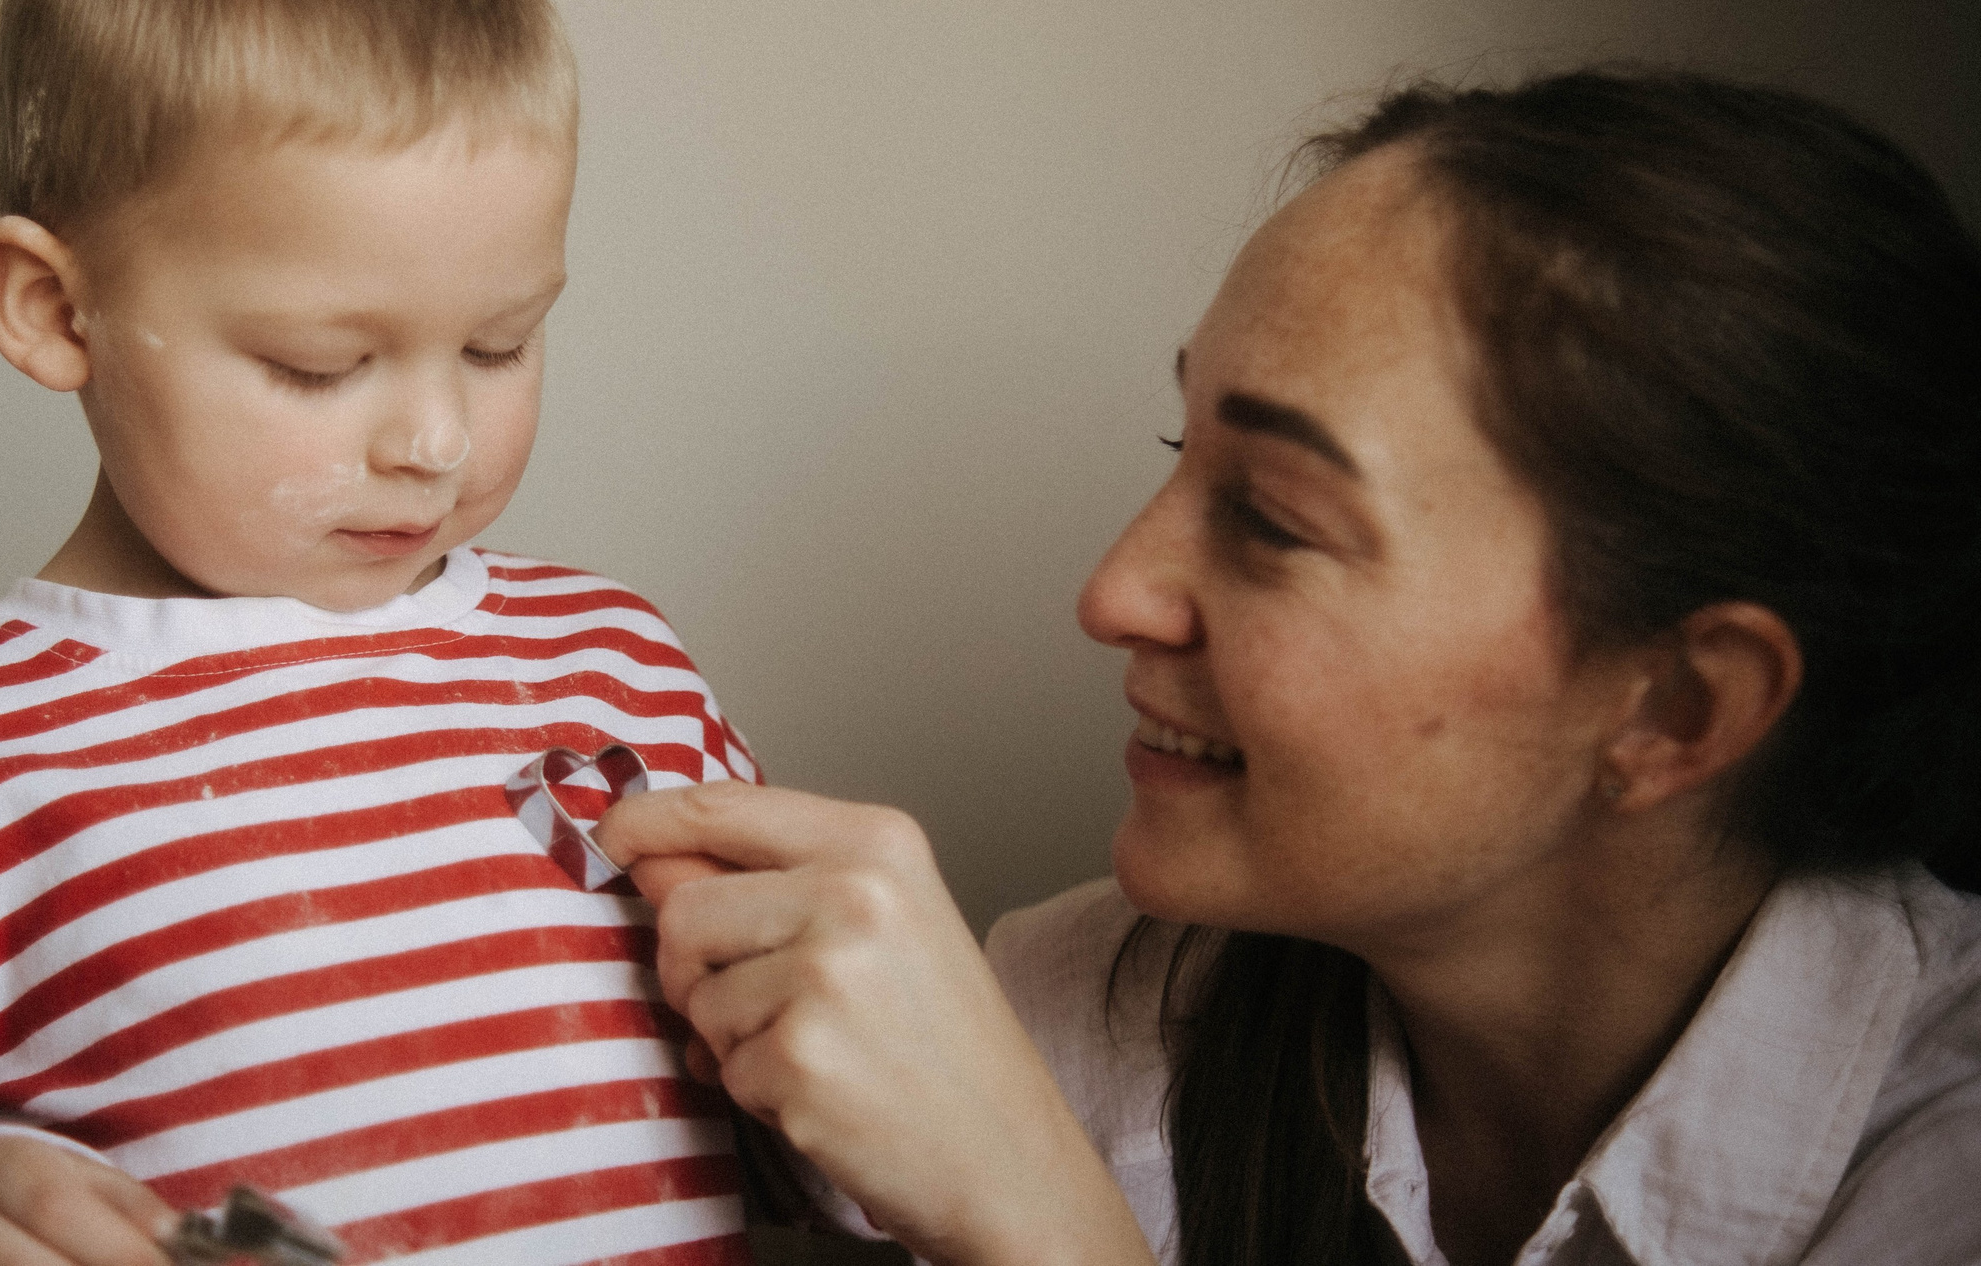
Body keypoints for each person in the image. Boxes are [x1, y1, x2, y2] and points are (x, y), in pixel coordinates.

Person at [599, 71, 1981, 1266]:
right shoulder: (1092, 1002)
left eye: (1270, 514)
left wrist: (1043, 1226)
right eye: (1175, 453)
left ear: (1677, 707)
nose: (1113, 592)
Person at [0, 0, 761, 1266]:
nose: (434, 439)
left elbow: (841, 1106)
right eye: (319, 365)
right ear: (56, 310)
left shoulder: (621, 673)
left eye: (501, 344)